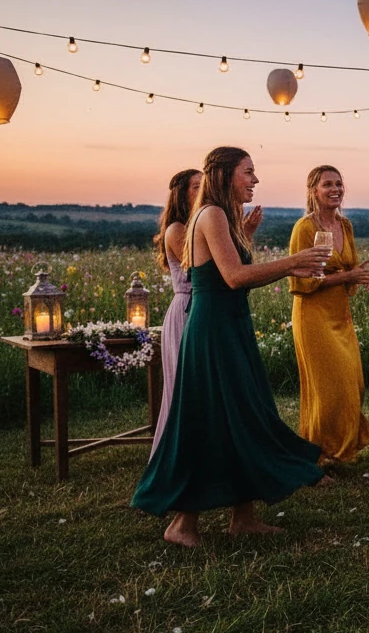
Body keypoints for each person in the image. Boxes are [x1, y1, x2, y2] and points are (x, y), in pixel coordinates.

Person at [132, 146, 331, 548]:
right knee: (207, 420)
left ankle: (244, 516)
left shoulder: (221, 216)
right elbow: (235, 276)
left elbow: (235, 271)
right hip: (212, 330)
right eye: (248, 172)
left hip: (230, 323)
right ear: (223, 174)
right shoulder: (212, 214)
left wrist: (266, 248)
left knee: (242, 413)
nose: (255, 180)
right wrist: (294, 262)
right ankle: (182, 525)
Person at [288, 165, 369, 468]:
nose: (335, 189)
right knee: (327, 388)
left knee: (353, 383)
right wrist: (349, 276)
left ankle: (336, 448)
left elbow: (347, 269)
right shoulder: (305, 228)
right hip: (313, 316)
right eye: (327, 184)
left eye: (339, 184)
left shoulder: (346, 226)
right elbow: (302, 281)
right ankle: (314, 455)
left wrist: (359, 276)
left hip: (340, 315)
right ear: (313, 190)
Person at [150, 167, 205, 457]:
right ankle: (174, 458)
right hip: (186, 310)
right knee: (185, 388)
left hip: (203, 309)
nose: (203, 191)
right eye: (197, 187)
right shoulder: (177, 230)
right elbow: (202, 269)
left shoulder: (201, 225)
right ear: (182, 196)